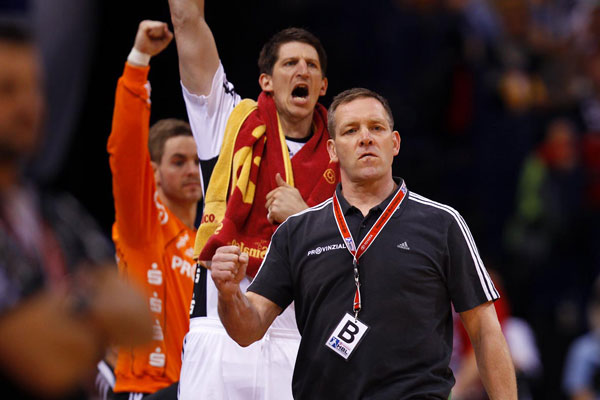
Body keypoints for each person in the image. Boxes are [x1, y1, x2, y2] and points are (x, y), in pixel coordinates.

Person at [211, 88, 518, 399]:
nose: (366, 138)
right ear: (332, 150)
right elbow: (248, 329)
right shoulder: (296, 231)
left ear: (394, 143)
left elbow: (485, 330)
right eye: (351, 130)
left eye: (376, 127)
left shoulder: (442, 223)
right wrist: (228, 294)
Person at [167, 0, 339, 398]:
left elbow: (360, 254)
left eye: (312, 65)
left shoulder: (344, 152)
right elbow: (187, 20)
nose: (302, 71)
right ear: (266, 81)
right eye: (290, 63)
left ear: (323, 87)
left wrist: (305, 218)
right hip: (219, 328)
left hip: (300, 337)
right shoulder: (230, 122)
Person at [0, 20, 152, 400]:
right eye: (7, 90)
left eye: (34, 88)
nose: (28, 106)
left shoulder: (56, 211)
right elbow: (43, 363)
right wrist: (91, 305)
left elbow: (138, 319)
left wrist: (63, 314)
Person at [104, 20, 202, 398]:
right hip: (147, 389)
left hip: (197, 390)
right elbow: (126, 151)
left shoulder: (212, 244)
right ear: (154, 173)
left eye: (197, 162)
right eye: (178, 161)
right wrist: (139, 60)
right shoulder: (145, 225)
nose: (192, 170)